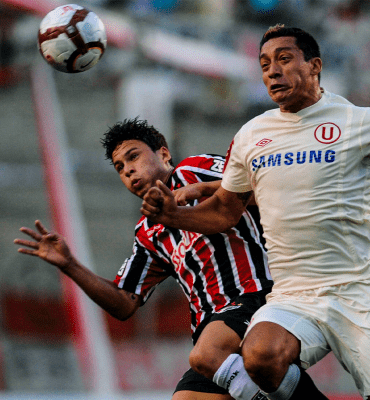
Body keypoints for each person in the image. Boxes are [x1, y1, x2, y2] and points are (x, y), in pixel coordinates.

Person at [139, 25, 370, 400]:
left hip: (360, 291)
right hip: (295, 294)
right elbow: (225, 212)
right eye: (264, 64)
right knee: (259, 356)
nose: (272, 71)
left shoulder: (357, 121)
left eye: (284, 59)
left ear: (315, 66)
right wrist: (172, 217)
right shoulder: (251, 136)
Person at [14, 118, 327, 400]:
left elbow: (267, 184)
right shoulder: (148, 231)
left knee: (206, 354)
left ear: (163, 153)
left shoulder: (193, 170)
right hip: (212, 326)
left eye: (133, 156)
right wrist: (69, 264)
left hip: (258, 297)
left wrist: (207, 188)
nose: (128, 170)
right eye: (120, 167)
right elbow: (124, 302)